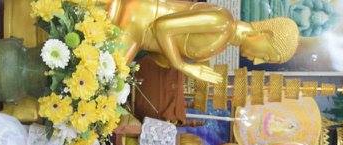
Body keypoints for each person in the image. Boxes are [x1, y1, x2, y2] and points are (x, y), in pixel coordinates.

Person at [107, 0, 300, 84]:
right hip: (136, 19)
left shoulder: (223, 43)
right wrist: (183, 66)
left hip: (139, 36)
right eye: (266, 56)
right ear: (265, 34)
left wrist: (173, 61)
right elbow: (162, 27)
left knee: (108, 81)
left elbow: (160, 52)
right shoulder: (223, 22)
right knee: (106, 78)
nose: (257, 61)